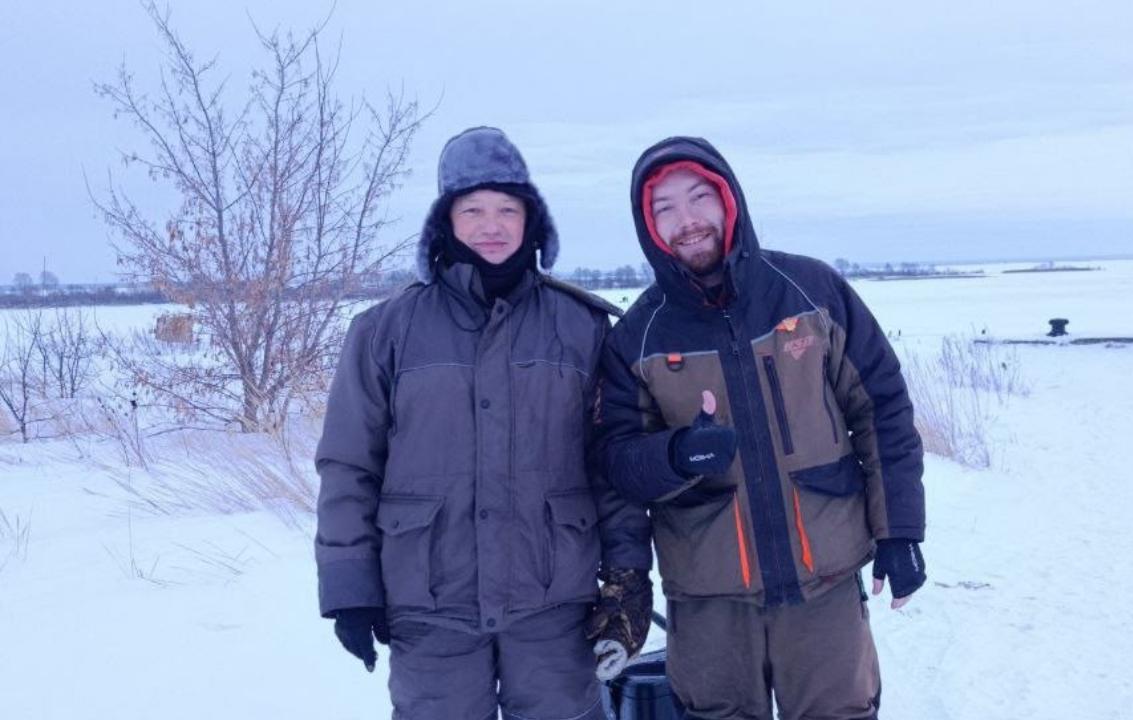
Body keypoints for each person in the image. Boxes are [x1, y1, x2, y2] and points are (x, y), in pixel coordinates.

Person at [314, 126, 652, 720]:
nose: (490, 225)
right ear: (445, 220)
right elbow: (349, 466)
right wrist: (349, 588)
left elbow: (610, 464)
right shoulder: (384, 331)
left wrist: (627, 577)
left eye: (506, 208)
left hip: (554, 607)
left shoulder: (581, 327)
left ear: (532, 219)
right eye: (472, 209)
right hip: (430, 606)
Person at [593, 136, 927, 719]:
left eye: (699, 198)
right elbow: (616, 462)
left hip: (823, 587)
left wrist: (899, 529)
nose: (687, 221)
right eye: (664, 208)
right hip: (707, 601)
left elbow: (882, 409)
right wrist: (676, 455)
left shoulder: (812, 292)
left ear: (729, 201)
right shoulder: (637, 337)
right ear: (648, 226)